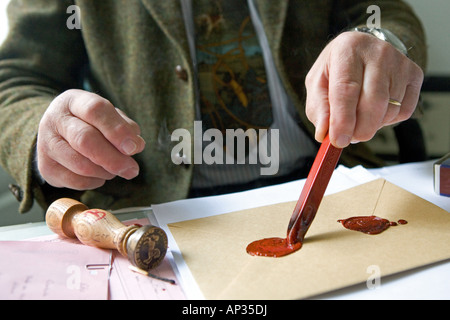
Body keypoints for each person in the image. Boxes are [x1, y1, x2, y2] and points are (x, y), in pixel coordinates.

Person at [0, 0, 426, 214]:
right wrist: (44, 134)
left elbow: (384, 12)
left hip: (329, 178)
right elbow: (17, 78)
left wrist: (381, 42)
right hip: (153, 200)